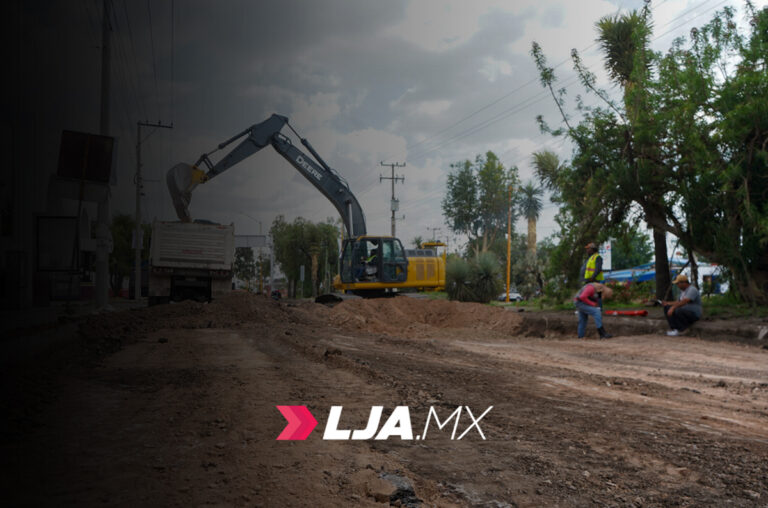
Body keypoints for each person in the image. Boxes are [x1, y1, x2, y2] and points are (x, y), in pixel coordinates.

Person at [581, 242, 605, 308]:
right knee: (588, 295)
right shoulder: (590, 258)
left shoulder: (598, 257)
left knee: (597, 295)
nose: (587, 250)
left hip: (595, 280)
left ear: (592, 249)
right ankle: (591, 308)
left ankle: (599, 308)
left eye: (588, 249)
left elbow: (598, 268)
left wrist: (593, 277)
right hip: (589, 280)